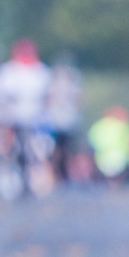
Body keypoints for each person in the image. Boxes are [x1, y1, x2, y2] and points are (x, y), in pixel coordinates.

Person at [0, 38, 52, 197]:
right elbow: (1, 95)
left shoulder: (41, 71)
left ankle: (31, 181)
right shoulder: (9, 70)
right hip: (14, 117)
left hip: (34, 117)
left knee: (34, 151)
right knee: (14, 151)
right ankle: (15, 181)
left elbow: (46, 96)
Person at [45, 53, 83, 184]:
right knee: (57, 149)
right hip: (57, 120)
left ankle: (65, 174)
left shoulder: (72, 84)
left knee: (66, 149)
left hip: (67, 120)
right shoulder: (55, 83)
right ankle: (56, 175)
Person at [89, 106, 129, 184]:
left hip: (103, 160)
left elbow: (92, 142)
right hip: (120, 158)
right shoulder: (122, 126)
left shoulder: (98, 125)